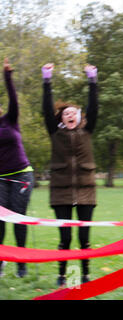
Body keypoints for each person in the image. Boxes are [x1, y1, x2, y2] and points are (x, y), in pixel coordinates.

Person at [41, 63, 98, 287]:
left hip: (86, 191)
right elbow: (46, 109)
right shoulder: (55, 133)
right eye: (66, 113)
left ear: (79, 116)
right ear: (61, 119)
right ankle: (62, 275)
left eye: (73, 112)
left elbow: (94, 108)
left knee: (84, 239)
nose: (70, 115)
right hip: (61, 193)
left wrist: (92, 81)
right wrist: (47, 81)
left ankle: (85, 274)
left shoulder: (87, 131)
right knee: (65, 239)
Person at [0, 58, 34, 278]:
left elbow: (14, 99)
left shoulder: (9, 120)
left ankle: (21, 262)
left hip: (22, 174)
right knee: (1, 218)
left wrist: (7, 76)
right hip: (1, 178)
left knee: (18, 216)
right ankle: (2, 259)